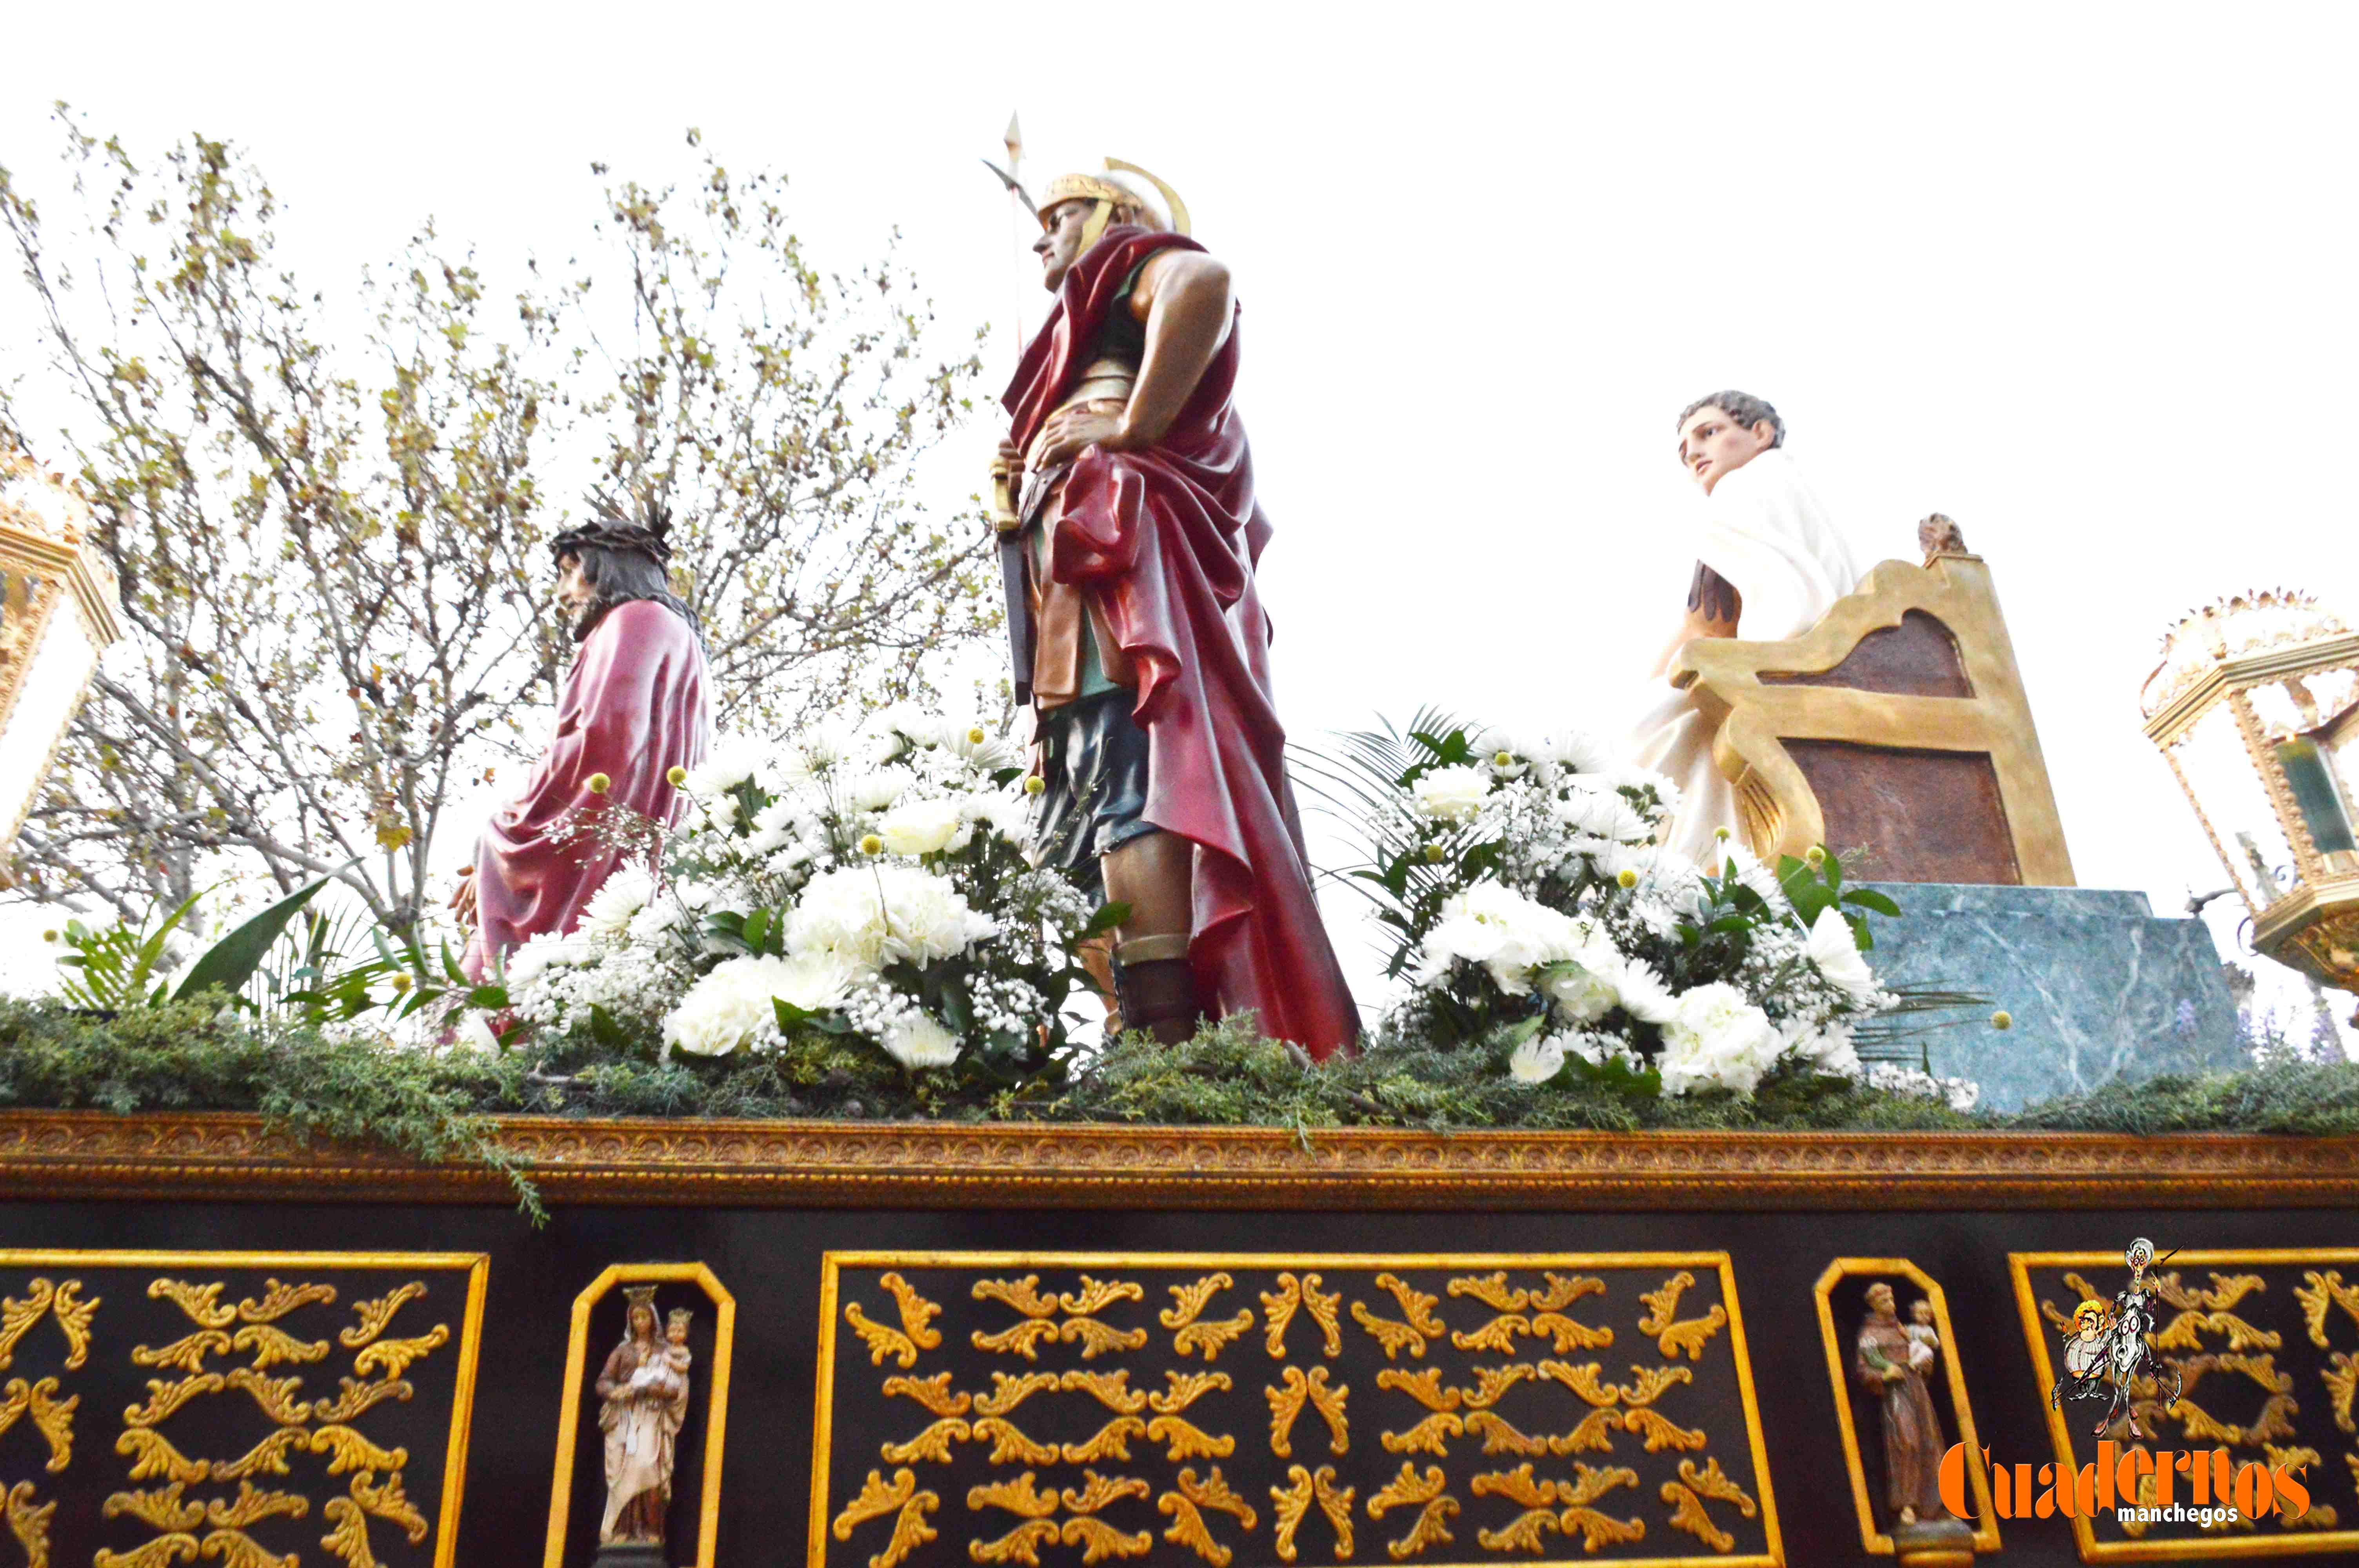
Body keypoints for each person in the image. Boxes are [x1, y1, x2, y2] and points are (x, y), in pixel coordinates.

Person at [992, 164, 1356, 1057]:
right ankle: (1139, 1025)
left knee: (1130, 762)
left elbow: (1203, 282)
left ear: (1114, 213)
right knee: (1086, 775)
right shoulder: (1079, 314)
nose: (1043, 237)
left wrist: (1127, 425)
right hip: (1072, 554)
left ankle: (1159, 1041)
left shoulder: (1132, 259)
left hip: (1115, 549)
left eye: (1060, 216)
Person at [453, 498, 712, 980]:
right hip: (632, 872)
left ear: (610, 568)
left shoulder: (632, 620)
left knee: (476, 1006)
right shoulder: (679, 639)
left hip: (594, 875)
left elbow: (598, 746)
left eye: (572, 571)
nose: (562, 592)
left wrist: (502, 842)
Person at [1625, 392, 1859, 866]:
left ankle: (1701, 866)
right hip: (1826, 662)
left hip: (1785, 668)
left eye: (1708, 433)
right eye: (1684, 448)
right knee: (1652, 710)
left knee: (1654, 723)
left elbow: (1749, 616)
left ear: (1760, 434)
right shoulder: (1787, 486)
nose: (1692, 453)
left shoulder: (1748, 486)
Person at [596, 1290, 692, 1544]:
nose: (640, 1322)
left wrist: (650, 1389)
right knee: (622, 1471)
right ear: (630, 1321)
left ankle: (651, 1529)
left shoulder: (665, 1351)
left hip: (651, 1416)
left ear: (653, 1319)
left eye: (644, 1316)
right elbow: (603, 1381)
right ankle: (624, 1529)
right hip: (626, 1417)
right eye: (635, 1317)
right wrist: (616, 1392)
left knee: (647, 1468)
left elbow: (675, 1387)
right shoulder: (623, 1351)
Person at [1854, 1281, 1948, 1529]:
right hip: (1896, 1391)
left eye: (1891, 1299)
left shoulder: (1902, 1329)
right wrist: (1884, 1375)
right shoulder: (1869, 1335)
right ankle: (1907, 1504)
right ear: (1875, 1304)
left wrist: (1926, 1366)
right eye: (1885, 1301)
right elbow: (1864, 1370)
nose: (1891, 1304)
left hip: (1916, 1386)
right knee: (1906, 1442)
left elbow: (1919, 1352)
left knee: (1931, 1441)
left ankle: (1936, 1505)